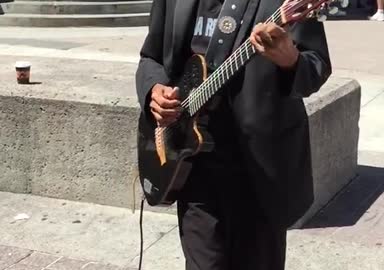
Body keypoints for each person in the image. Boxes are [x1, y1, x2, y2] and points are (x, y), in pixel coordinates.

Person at [135, 0, 332, 269]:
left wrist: (290, 59)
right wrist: (153, 90)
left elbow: (315, 66)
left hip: (260, 172)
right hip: (192, 165)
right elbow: (151, 57)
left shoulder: (288, 4)